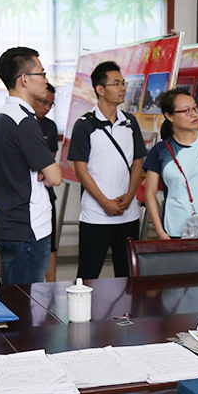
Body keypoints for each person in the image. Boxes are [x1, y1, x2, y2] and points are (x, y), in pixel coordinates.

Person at [67, 61, 146, 279]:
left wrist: (129, 196)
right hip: (95, 215)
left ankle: (126, 308)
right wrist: (104, 203)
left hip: (128, 214)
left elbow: (137, 162)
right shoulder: (84, 124)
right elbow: (81, 170)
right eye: (116, 84)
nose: (123, 88)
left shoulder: (130, 122)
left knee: (128, 275)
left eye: (123, 83)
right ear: (100, 89)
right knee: (88, 276)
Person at [0, 47, 61, 285]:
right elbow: (55, 177)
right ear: (24, 79)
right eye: (41, 73)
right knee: (25, 300)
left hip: (8, 223)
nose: (45, 79)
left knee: (13, 295)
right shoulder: (23, 120)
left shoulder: (2, 115)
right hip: (27, 228)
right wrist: (44, 169)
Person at [143, 88, 198, 240]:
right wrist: (160, 232)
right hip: (174, 230)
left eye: (195, 108)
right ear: (169, 116)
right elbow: (150, 193)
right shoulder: (160, 151)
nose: (194, 114)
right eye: (186, 110)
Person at [34, 82, 59, 282]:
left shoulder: (50, 126)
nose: (47, 107)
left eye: (51, 104)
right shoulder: (21, 122)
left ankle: (51, 288)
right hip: (23, 195)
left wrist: (44, 168)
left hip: (45, 191)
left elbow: (51, 158)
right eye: (43, 102)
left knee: (49, 245)